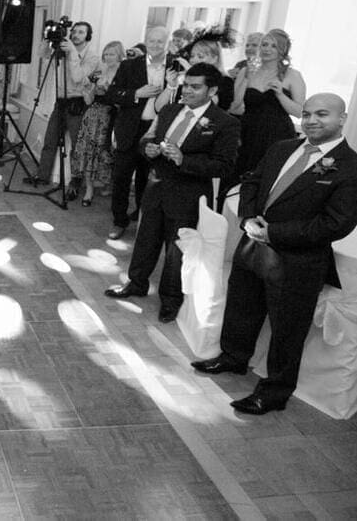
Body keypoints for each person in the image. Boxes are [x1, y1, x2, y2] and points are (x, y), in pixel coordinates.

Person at [191, 93, 357, 416]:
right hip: (252, 244)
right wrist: (248, 219)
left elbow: (334, 224)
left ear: (342, 119)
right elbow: (252, 182)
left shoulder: (356, 171)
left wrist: (273, 233)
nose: (312, 120)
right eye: (307, 114)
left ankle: (275, 392)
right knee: (242, 306)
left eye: (322, 114)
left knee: (287, 331)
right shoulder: (281, 148)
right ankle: (233, 357)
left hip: (297, 263)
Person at [104, 63, 240, 322]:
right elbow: (148, 138)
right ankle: (136, 283)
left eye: (195, 87)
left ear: (212, 90)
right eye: (185, 85)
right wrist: (148, 149)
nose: (187, 90)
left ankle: (170, 299)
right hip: (156, 186)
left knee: (177, 250)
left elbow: (224, 166)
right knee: (146, 239)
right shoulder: (169, 110)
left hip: (188, 193)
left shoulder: (225, 123)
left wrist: (183, 160)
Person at [105, 26, 171, 240]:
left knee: (147, 179)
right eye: (152, 41)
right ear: (146, 41)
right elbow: (112, 94)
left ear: (167, 43)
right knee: (121, 177)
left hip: (159, 132)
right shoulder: (129, 65)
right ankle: (119, 221)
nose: (155, 45)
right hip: (130, 130)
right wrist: (136, 93)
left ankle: (143, 218)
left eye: (160, 41)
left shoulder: (176, 66)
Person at [25, 21, 100, 194]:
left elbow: (77, 77)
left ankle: (75, 183)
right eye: (74, 31)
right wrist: (47, 38)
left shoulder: (92, 57)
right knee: (50, 141)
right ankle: (42, 176)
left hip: (78, 103)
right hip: (60, 102)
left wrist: (72, 52)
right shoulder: (62, 50)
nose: (76, 35)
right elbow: (42, 54)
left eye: (81, 32)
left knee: (77, 146)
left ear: (88, 36)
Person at [229, 28, 306, 185]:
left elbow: (299, 112)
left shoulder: (293, 75)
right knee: (236, 178)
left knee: (265, 180)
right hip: (248, 132)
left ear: (282, 50)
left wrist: (280, 94)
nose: (267, 49)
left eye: (273, 46)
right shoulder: (246, 70)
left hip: (277, 134)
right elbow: (236, 107)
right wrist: (246, 79)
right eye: (264, 45)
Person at [72, 41, 125, 206]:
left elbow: (123, 102)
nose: (108, 57)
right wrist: (86, 92)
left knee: (107, 153)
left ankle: (109, 185)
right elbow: (89, 101)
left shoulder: (124, 75)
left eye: (112, 54)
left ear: (119, 55)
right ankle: (89, 189)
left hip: (112, 118)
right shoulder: (99, 73)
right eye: (106, 54)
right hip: (93, 117)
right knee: (88, 152)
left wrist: (110, 91)